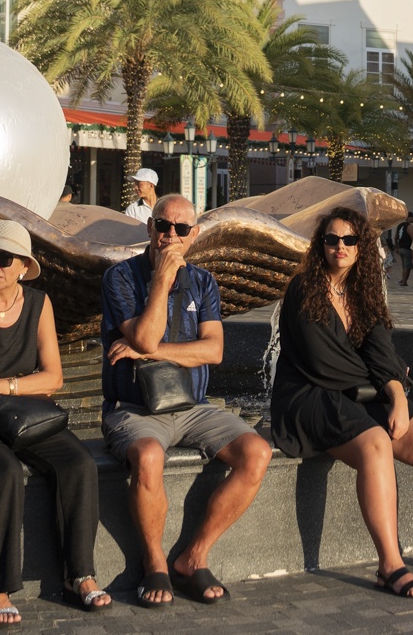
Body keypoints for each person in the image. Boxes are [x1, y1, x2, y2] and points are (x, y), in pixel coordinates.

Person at [271, 205, 413, 598]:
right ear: (320, 245)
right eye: (331, 239)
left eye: (349, 239)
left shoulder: (364, 289)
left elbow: (382, 349)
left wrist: (397, 394)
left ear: (362, 246)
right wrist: (384, 376)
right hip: (309, 394)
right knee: (375, 443)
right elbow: (322, 361)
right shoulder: (303, 288)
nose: (340, 246)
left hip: (358, 393)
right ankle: (389, 565)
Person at [101, 194, 272, 606]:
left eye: (180, 229)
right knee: (148, 457)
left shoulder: (203, 281)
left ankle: (194, 556)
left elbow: (213, 350)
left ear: (193, 235)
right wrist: (161, 281)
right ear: (150, 228)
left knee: (257, 452)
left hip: (194, 407)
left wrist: (148, 351)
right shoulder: (120, 278)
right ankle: (155, 563)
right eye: (162, 225)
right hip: (135, 409)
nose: (170, 236)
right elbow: (144, 335)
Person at [0, 220, 109, 625]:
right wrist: (22, 385)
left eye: (3, 258)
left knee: (78, 463)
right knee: (6, 470)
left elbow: (54, 378)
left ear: (23, 266)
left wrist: (0, 385)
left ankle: (78, 575)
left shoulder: (39, 304)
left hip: (20, 417)